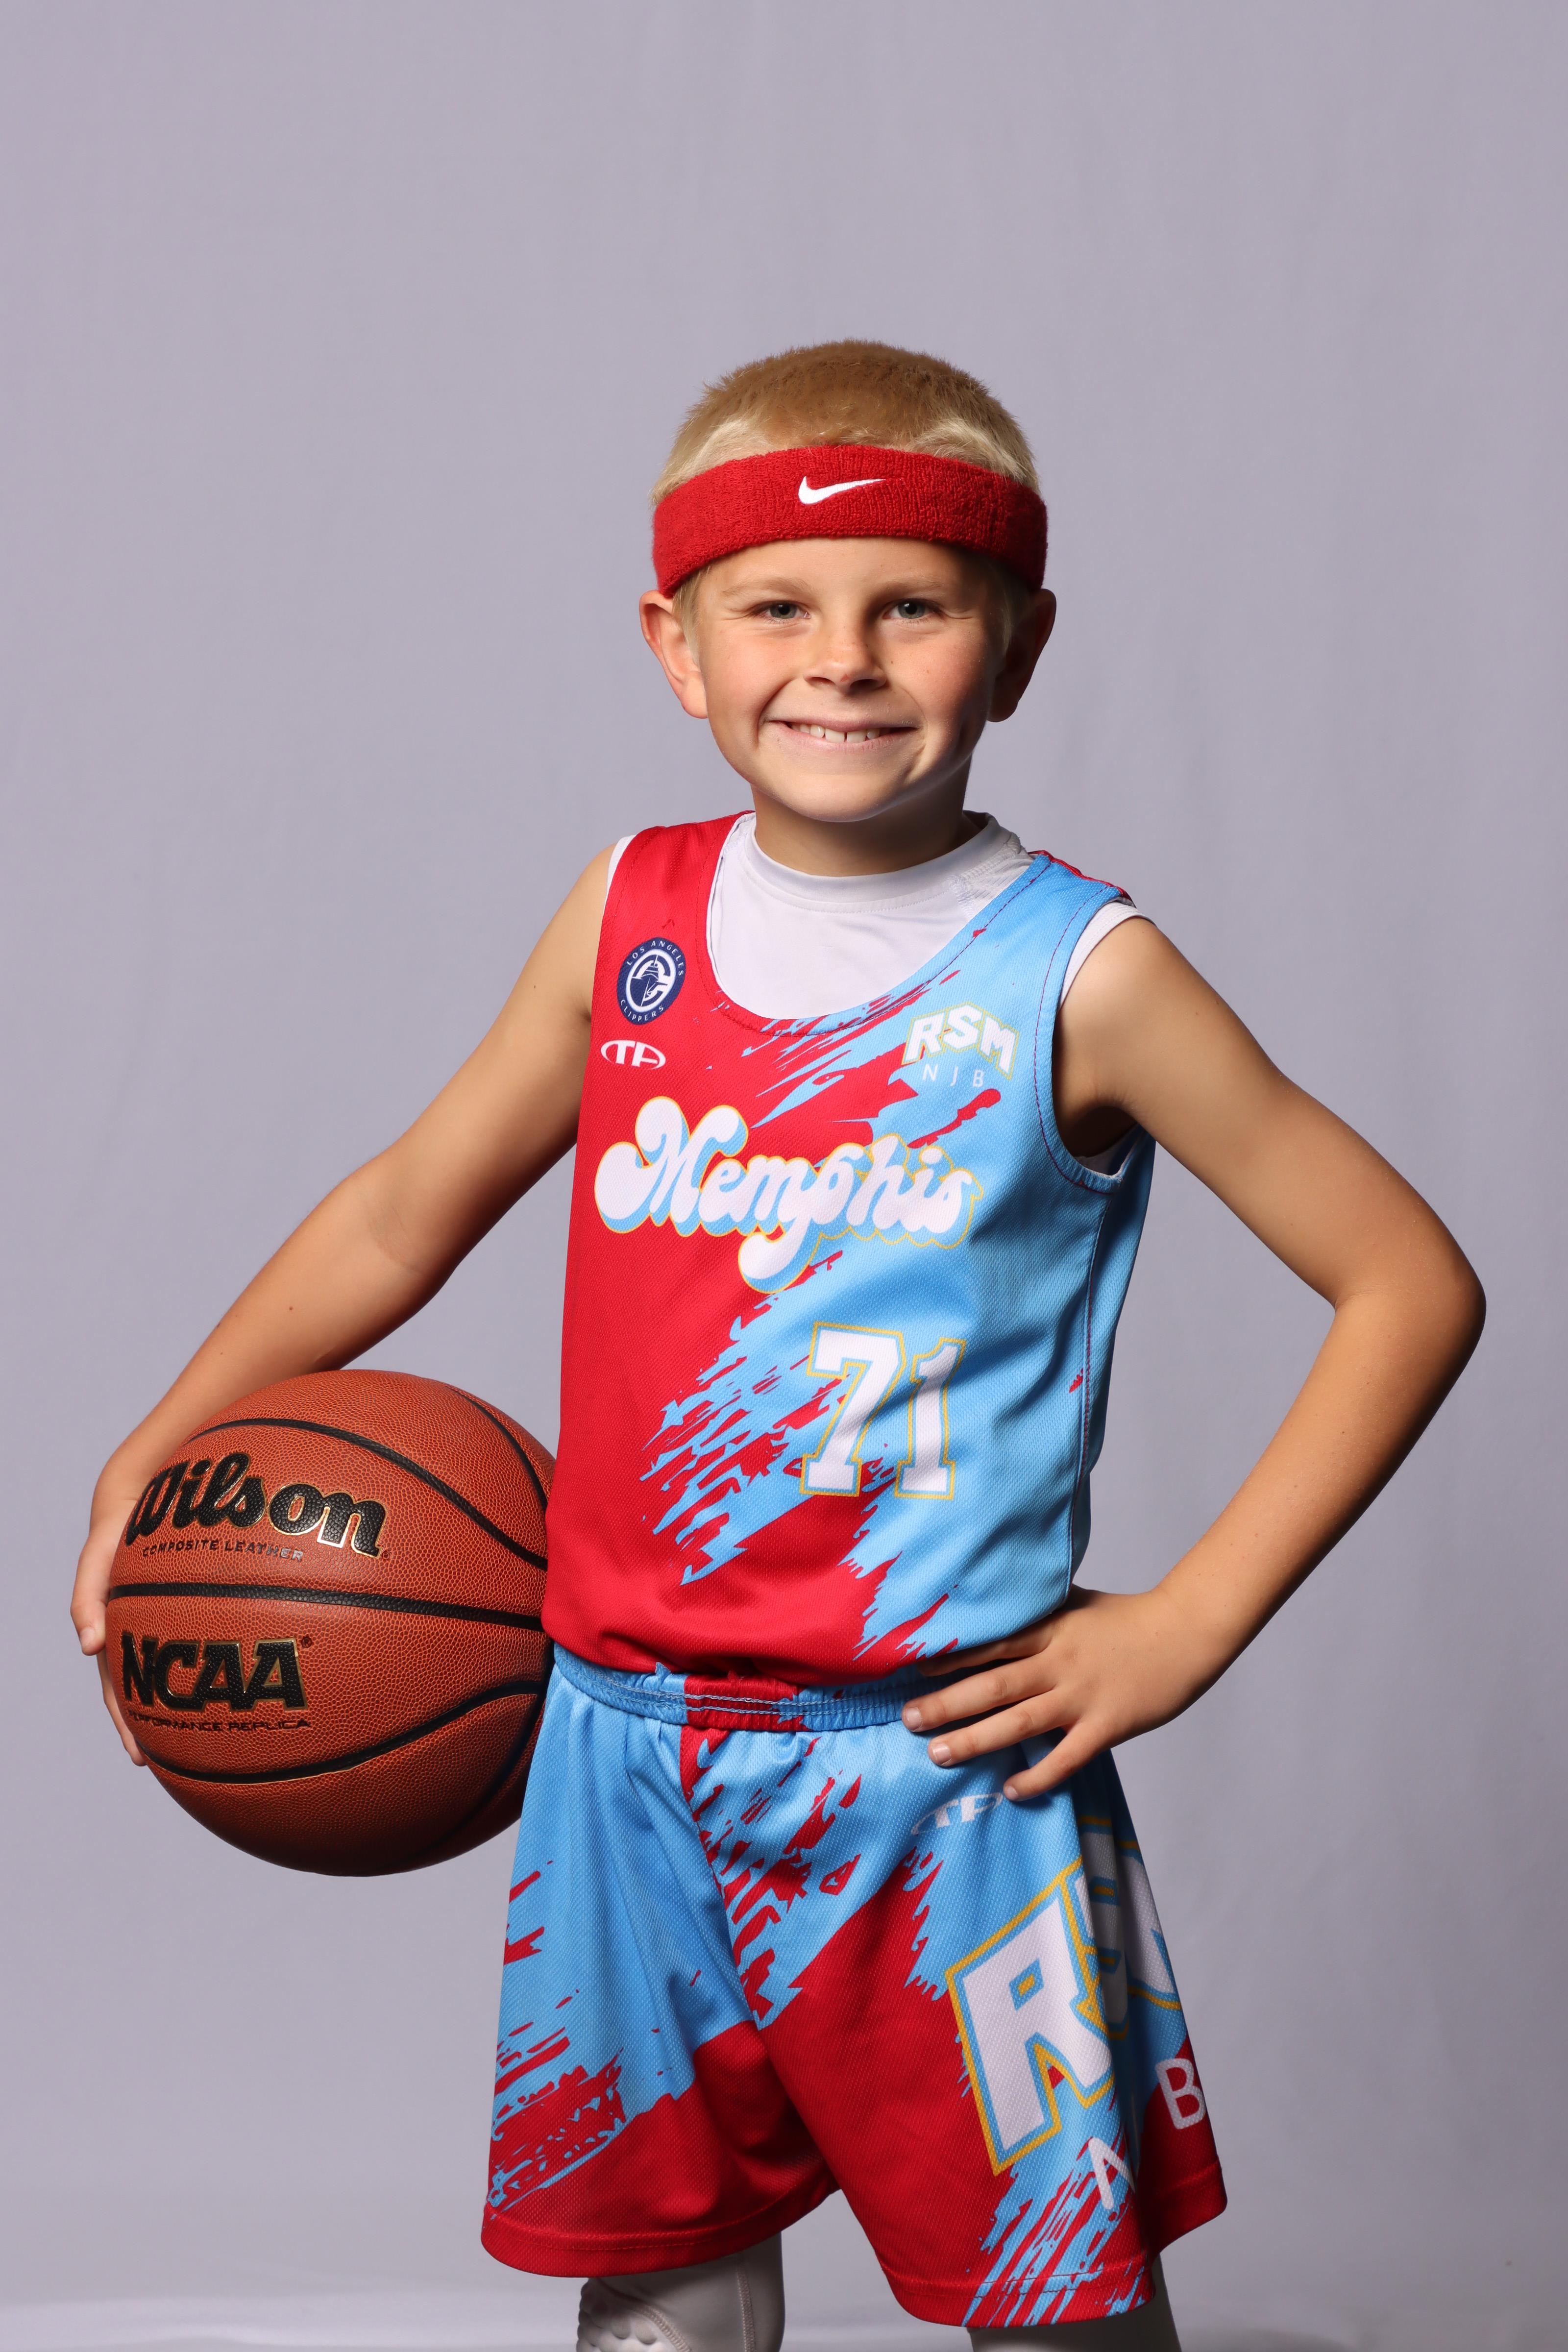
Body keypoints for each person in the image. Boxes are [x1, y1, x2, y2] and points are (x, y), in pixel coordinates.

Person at [73, 341, 1483, 2352]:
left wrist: (1190, 1623)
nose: (842, 660)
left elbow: (1406, 1280)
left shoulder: (1076, 973)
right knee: (658, 2293)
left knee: (1052, 2305)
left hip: (935, 1767)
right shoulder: (626, 920)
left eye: (912, 606)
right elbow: (403, 1210)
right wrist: (171, 1431)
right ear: (676, 645)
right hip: (620, 1750)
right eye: (776, 609)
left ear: (1019, 645)